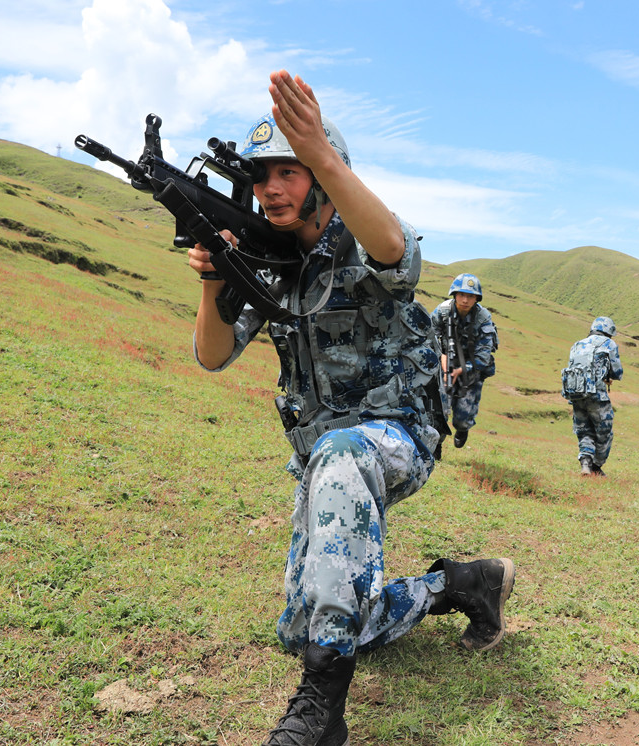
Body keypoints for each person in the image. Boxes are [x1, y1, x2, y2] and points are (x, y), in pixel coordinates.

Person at [187, 70, 515, 746]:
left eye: (289, 171)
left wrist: (327, 157)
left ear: (322, 175)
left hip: (397, 437)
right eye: (260, 176)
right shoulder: (269, 262)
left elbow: (400, 256)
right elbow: (212, 354)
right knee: (298, 625)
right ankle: (457, 586)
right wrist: (217, 277)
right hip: (322, 460)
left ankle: (323, 704)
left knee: (341, 463)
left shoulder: (364, 237)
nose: (270, 188)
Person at [430, 273, 498, 448]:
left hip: (471, 369)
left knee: (462, 417)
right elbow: (429, 336)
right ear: (454, 294)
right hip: (443, 364)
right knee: (439, 411)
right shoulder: (442, 311)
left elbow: (483, 356)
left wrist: (461, 369)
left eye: (470, 296)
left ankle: (462, 429)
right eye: (461, 295)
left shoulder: (483, 318)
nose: (465, 300)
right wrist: (443, 362)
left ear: (476, 298)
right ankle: (435, 445)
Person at [561, 316, 623, 477]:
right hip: (597, 395)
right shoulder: (609, 344)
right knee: (604, 430)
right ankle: (596, 466)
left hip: (576, 394)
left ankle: (586, 463)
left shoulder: (577, 344)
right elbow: (617, 372)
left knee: (584, 429)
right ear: (609, 331)